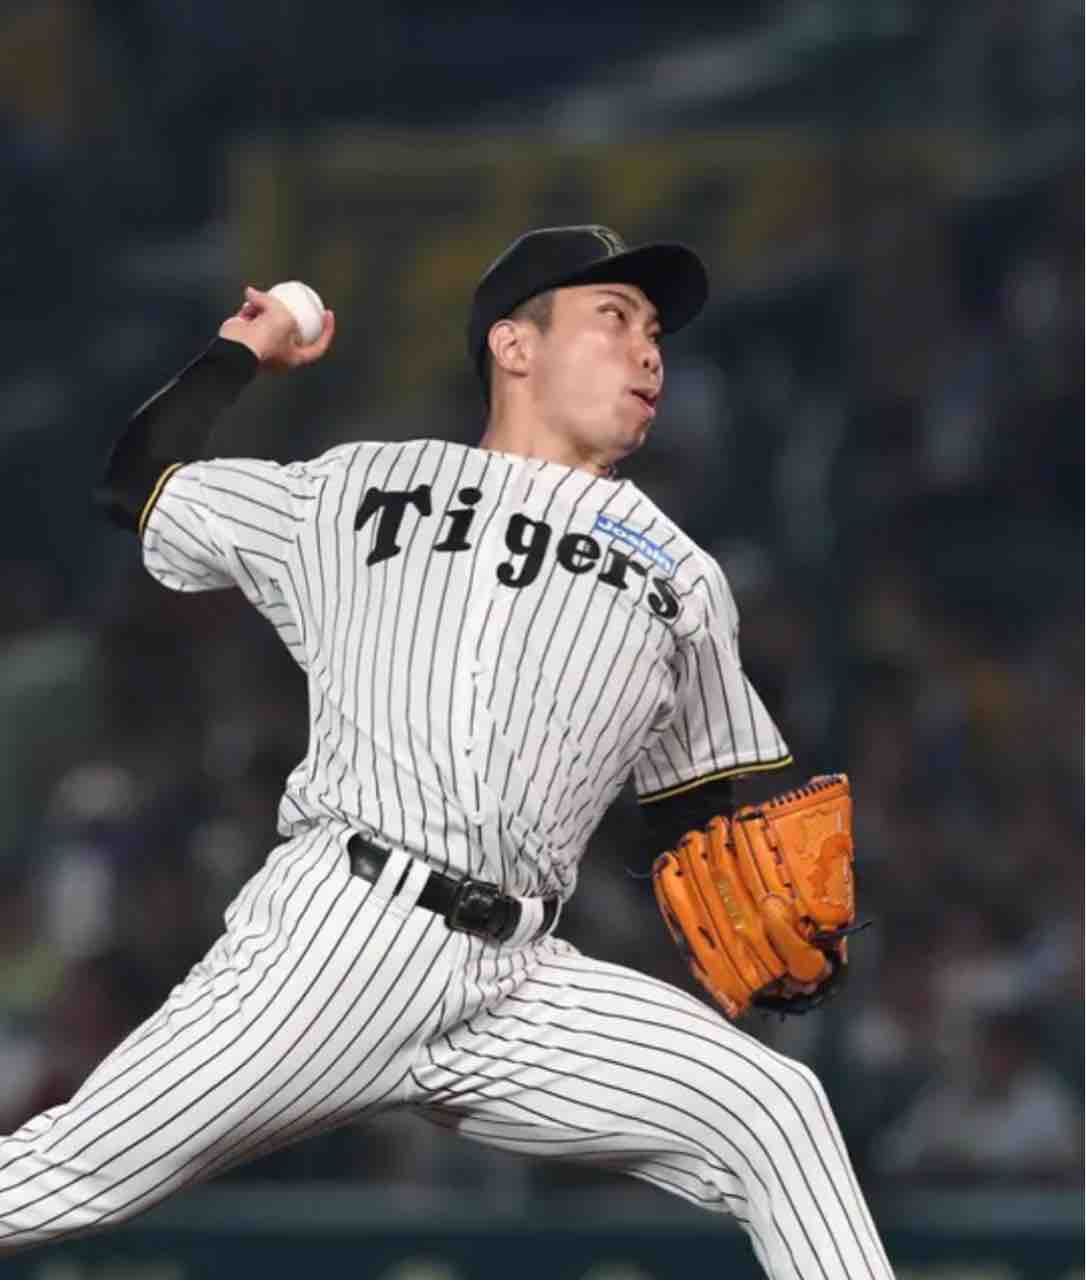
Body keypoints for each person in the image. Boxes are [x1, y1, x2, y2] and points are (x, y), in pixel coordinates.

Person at [0, 225, 895, 1278]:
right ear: (516, 346)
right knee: (62, 1176)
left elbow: (701, 806)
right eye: (614, 319)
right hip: (340, 940)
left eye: (656, 332)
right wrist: (245, 346)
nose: (649, 351)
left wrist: (756, 899)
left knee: (774, 1110)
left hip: (520, 980)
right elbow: (139, 483)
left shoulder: (685, 577)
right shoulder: (357, 487)